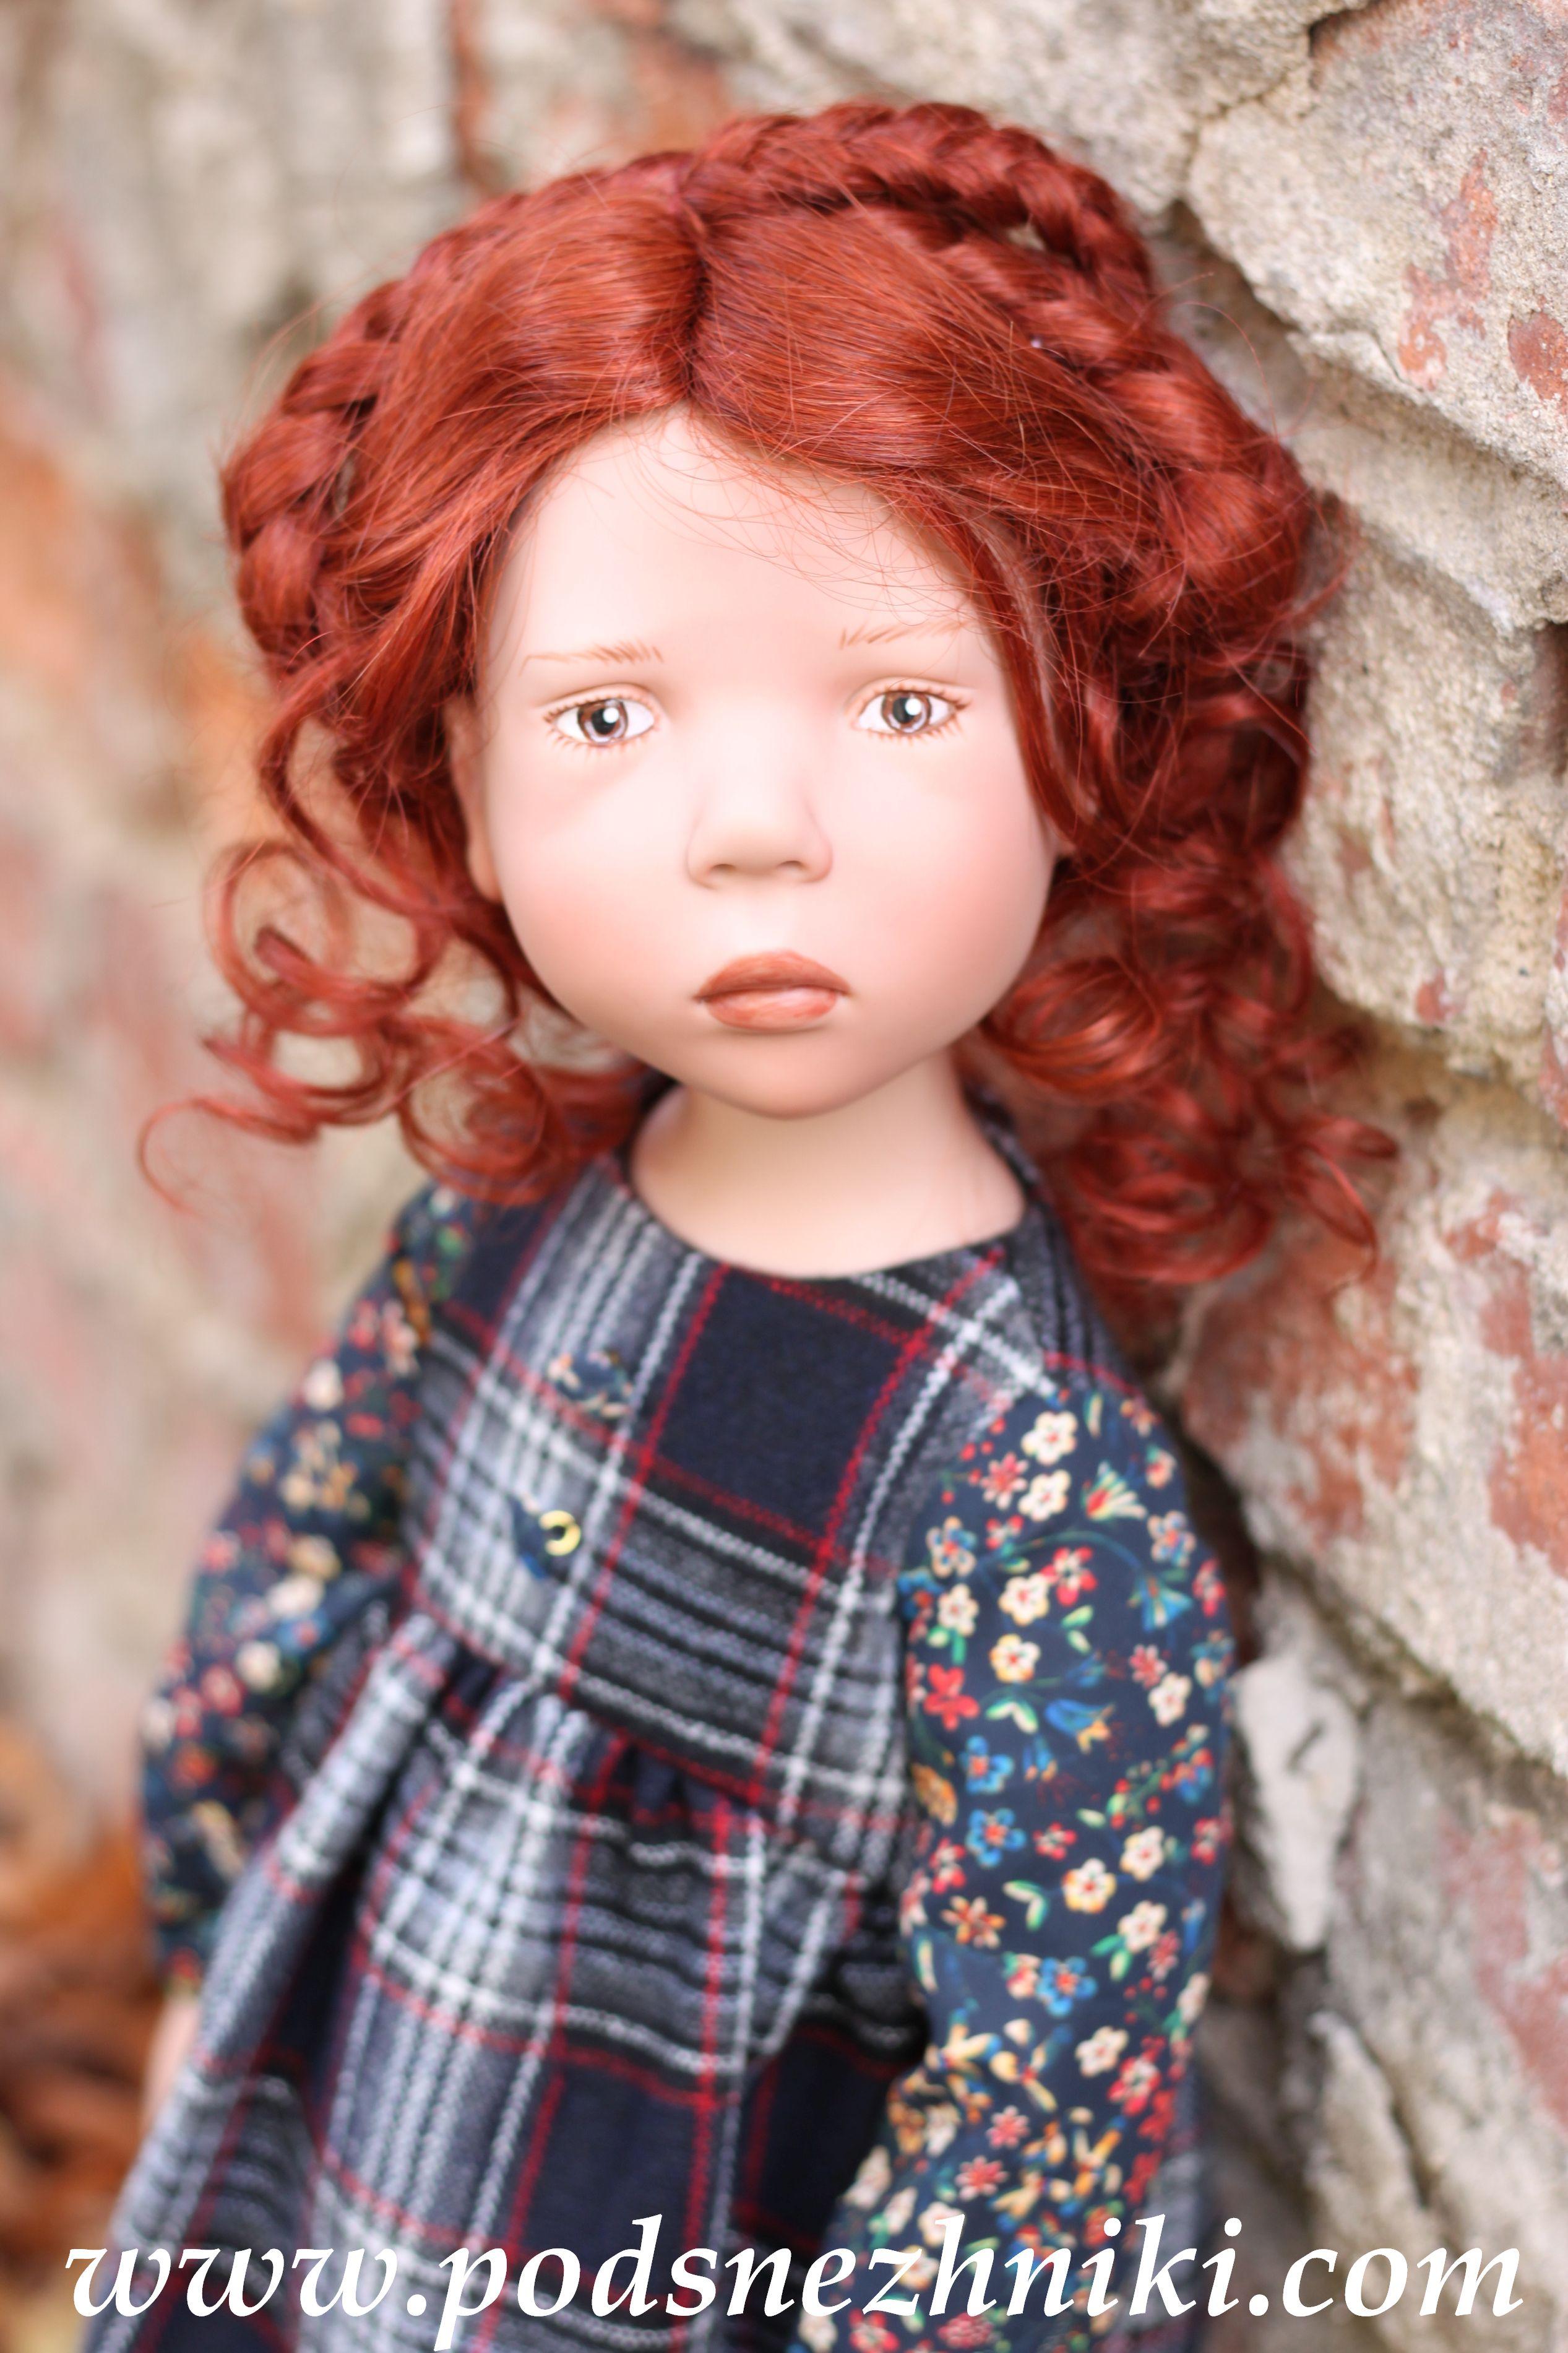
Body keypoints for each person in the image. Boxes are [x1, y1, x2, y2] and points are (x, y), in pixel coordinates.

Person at [91, 100, 1384, 2353]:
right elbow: (284, 1581)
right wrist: (218, 1923)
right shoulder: (504, 1226)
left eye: (903, 704)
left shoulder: (1027, 1479)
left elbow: (1040, 2105)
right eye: (608, 715)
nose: (756, 828)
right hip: (361, 2133)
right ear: (461, 763)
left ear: (1081, 740)